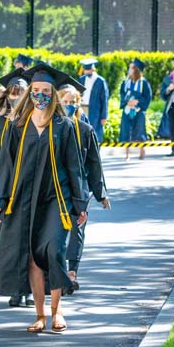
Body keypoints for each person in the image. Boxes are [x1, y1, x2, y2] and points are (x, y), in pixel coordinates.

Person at [0, 63, 88, 334]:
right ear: (29, 93)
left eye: (46, 90)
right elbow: (5, 165)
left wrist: (80, 204)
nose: (41, 95)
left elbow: (75, 167)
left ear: (53, 94)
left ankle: (58, 311)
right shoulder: (17, 126)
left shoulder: (65, 126)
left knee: (54, 251)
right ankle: (40, 314)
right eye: (36, 90)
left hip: (55, 199)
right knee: (33, 257)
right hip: (24, 200)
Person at [0, 68, 32, 307]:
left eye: (21, 92)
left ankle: (31, 289)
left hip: (31, 192)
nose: (17, 97)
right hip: (6, 195)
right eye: (13, 93)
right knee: (9, 246)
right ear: (6, 96)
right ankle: (15, 290)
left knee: (32, 243)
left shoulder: (36, 124)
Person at [58, 83, 110, 294]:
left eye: (73, 102)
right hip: (58, 187)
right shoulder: (50, 127)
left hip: (80, 188)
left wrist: (101, 194)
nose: (69, 105)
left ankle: (72, 272)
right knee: (57, 230)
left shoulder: (85, 130)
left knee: (77, 227)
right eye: (65, 102)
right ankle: (58, 272)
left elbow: (94, 164)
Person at [119, 58, 153, 160]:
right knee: (126, 131)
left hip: (138, 110)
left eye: (131, 68)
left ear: (136, 70)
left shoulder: (144, 83)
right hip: (127, 109)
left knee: (140, 131)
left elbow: (148, 96)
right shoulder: (126, 82)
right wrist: (127, 102)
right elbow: (122, 94)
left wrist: (138, 101)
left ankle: (142, 151)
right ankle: (127, 154)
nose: (129, 70)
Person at [78, 57, 109, 144]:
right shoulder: (82, 79)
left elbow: (104, 99)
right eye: (85, 70)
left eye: (88, 70)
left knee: (94, 131)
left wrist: (104, 116)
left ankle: (95, 152)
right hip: (82, 108)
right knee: (82, 130)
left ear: (93, 69)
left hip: (95, 110)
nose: (86, 72)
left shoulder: (100, 81)